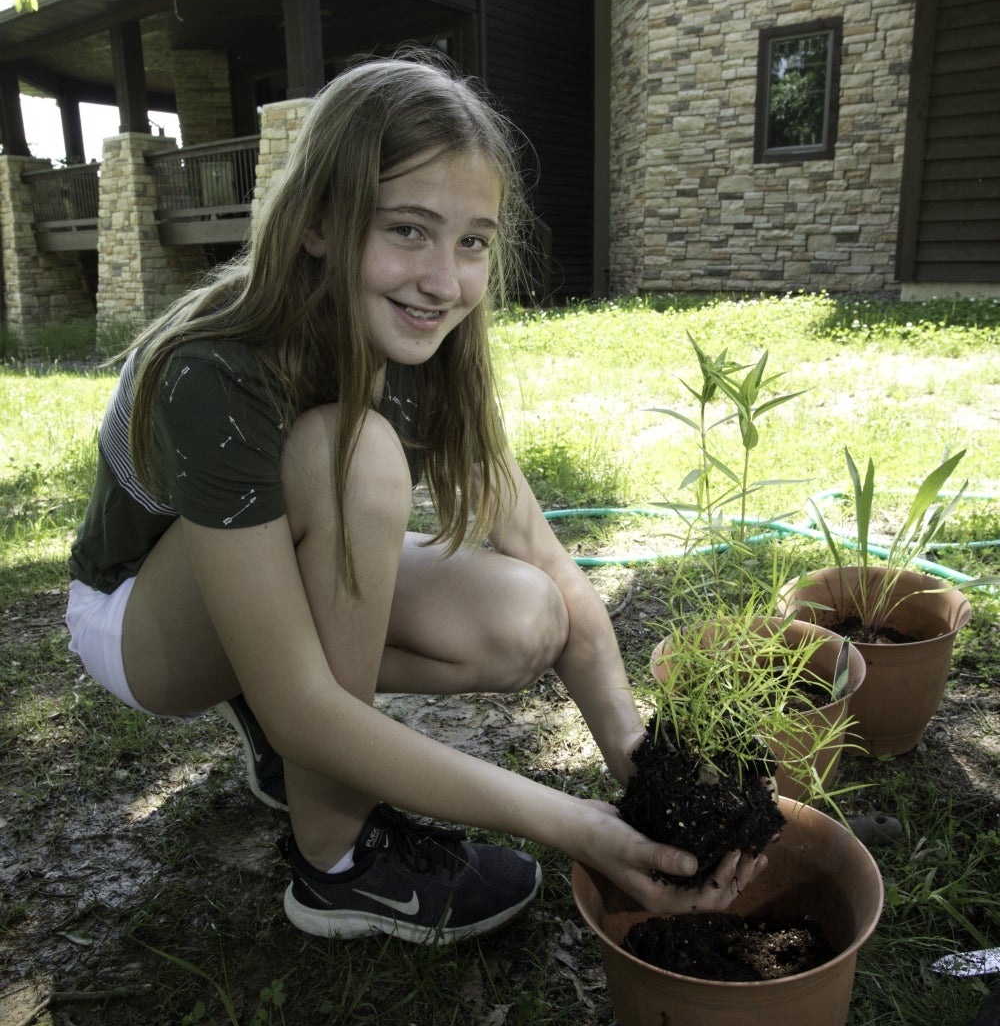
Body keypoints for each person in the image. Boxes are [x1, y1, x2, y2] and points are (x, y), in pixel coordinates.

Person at [65, 52, 764, 946]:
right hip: (137, 625)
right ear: (318, 222)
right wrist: (573, 824)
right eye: (408, 229)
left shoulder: (423, 343)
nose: (445, 281)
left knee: (526, 616)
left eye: (472, 240)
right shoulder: (216, 367)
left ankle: (278, 711)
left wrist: (641, 768)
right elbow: (308, 707)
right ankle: (335, 864)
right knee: (352, 455)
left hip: (250, 578)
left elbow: (545, 556)